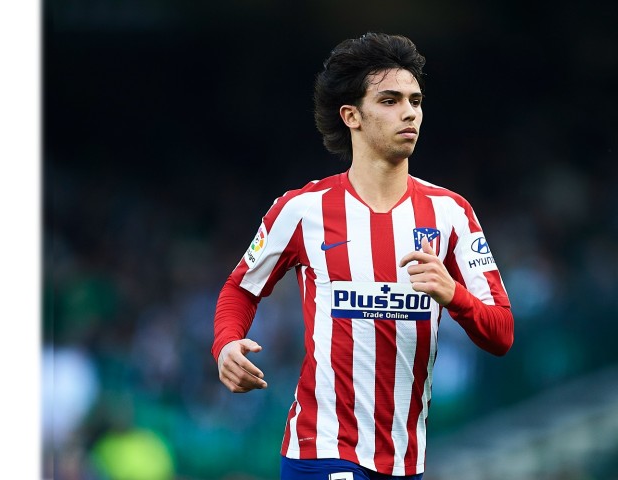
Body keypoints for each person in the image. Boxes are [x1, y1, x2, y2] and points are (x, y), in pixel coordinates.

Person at [212, 32, 514, 480]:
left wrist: (453, 295)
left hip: (406, 461)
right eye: (390, 100)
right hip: (323, 450)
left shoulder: (452, 213)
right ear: (351, 115)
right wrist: (225, 344)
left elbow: (502, 333)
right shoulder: (302, 210)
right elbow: (241, 287)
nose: (409, 111)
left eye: (415, 100)